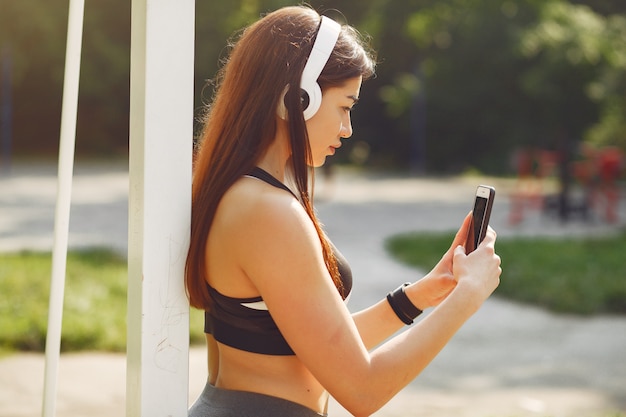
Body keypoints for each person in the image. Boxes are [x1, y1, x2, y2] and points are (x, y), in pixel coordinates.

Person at [185, 5, 501, 417]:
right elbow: (362, 389)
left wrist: (421, 295)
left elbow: (318, 346)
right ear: (298, 98)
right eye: (345, 106)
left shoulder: (242, 192)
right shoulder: (267, 212)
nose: (348, 128)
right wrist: (468, 296)